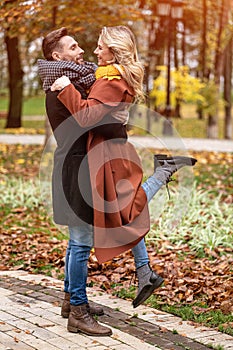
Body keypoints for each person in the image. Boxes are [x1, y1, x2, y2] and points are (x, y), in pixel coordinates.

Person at [51, 25, 197, 329]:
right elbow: (94, 116)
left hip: (104, 157)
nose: (93, 51)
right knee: (118, 214)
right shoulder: (99, 77)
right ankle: (83, 299)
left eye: (100, 46)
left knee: (118, 213)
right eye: (77, 47)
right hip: (98, 156)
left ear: (115, 50)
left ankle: (78, 304)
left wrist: (67, 88)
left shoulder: (108, 80)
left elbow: (88, 116)